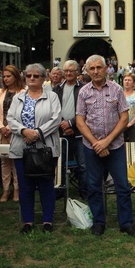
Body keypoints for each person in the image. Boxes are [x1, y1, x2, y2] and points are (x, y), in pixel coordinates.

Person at [76, 54, 135, 237]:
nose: (96, 71)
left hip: (116, 146)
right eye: (92, 68)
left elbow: (124, 118)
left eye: (99, 67)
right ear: (87, 71)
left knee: (122, 185)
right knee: (94, 186)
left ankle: (126, 223)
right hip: (91, 147)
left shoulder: (117, 89)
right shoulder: (83, 92)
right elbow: (80, 121)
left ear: (106, 69)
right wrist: (97, 143)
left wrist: (107, 141)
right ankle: (98, 222)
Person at [7, 63, 61, 234]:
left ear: (43, 78)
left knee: (46, 185)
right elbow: (10, 119)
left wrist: (37, 133)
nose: (31, 78)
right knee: (25, 186)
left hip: (45, 148)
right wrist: (23, 131)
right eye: (29, 75)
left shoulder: (52, 97)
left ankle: (47, 221)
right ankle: (28, 221)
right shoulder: (18, 98)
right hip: (21, 148)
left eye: (36, 76)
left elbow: (56, 119)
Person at [53, 60, 87, 199]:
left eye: (71, 71)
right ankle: (59, 190)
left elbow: (86, 110)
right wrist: (63, 124)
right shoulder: (57, 89)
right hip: (61, 132)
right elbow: (53, 110)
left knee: (83, 164)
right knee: (59, 164)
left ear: (77, 72)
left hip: (79, 133)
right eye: (66, 71)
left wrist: (72, 125)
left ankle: (84, 191)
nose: (68, 73)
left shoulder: (83, 88)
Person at [0, 65, 25, 202]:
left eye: (8, 76)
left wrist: (10, 127)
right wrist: (1, 127)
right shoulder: (0, 91)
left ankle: (17, 189)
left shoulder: (23, 92)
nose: (5, 79)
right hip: (1, 132)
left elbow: (22, 113)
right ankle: (6, 190)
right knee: (4, 162)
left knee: (16, 162)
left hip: (15, 132)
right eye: (4, 76)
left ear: (15, 76)